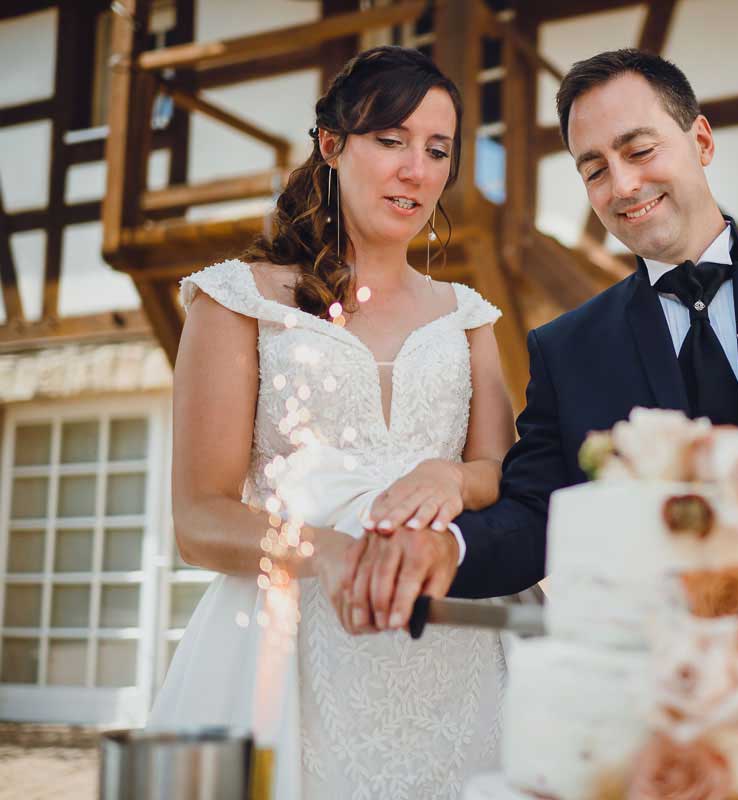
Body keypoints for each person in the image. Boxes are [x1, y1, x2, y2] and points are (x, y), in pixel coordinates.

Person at [345, 49, 738, 799]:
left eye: (639, 149)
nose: (622, 186)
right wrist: (443, 548)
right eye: (593, 169)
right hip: (659, 736)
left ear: (702, 141)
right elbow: (533, 517)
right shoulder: (567, 350)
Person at [150, 46, 514, 799]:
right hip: (290, 659)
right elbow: (198, 519)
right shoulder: (237, 301)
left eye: (437, 149)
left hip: (460, 655)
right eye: (391, 140)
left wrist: (452, 476)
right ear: (332, 144)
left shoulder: (466, 318)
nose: (416, 168)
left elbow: (502, 476)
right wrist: (328, 552)